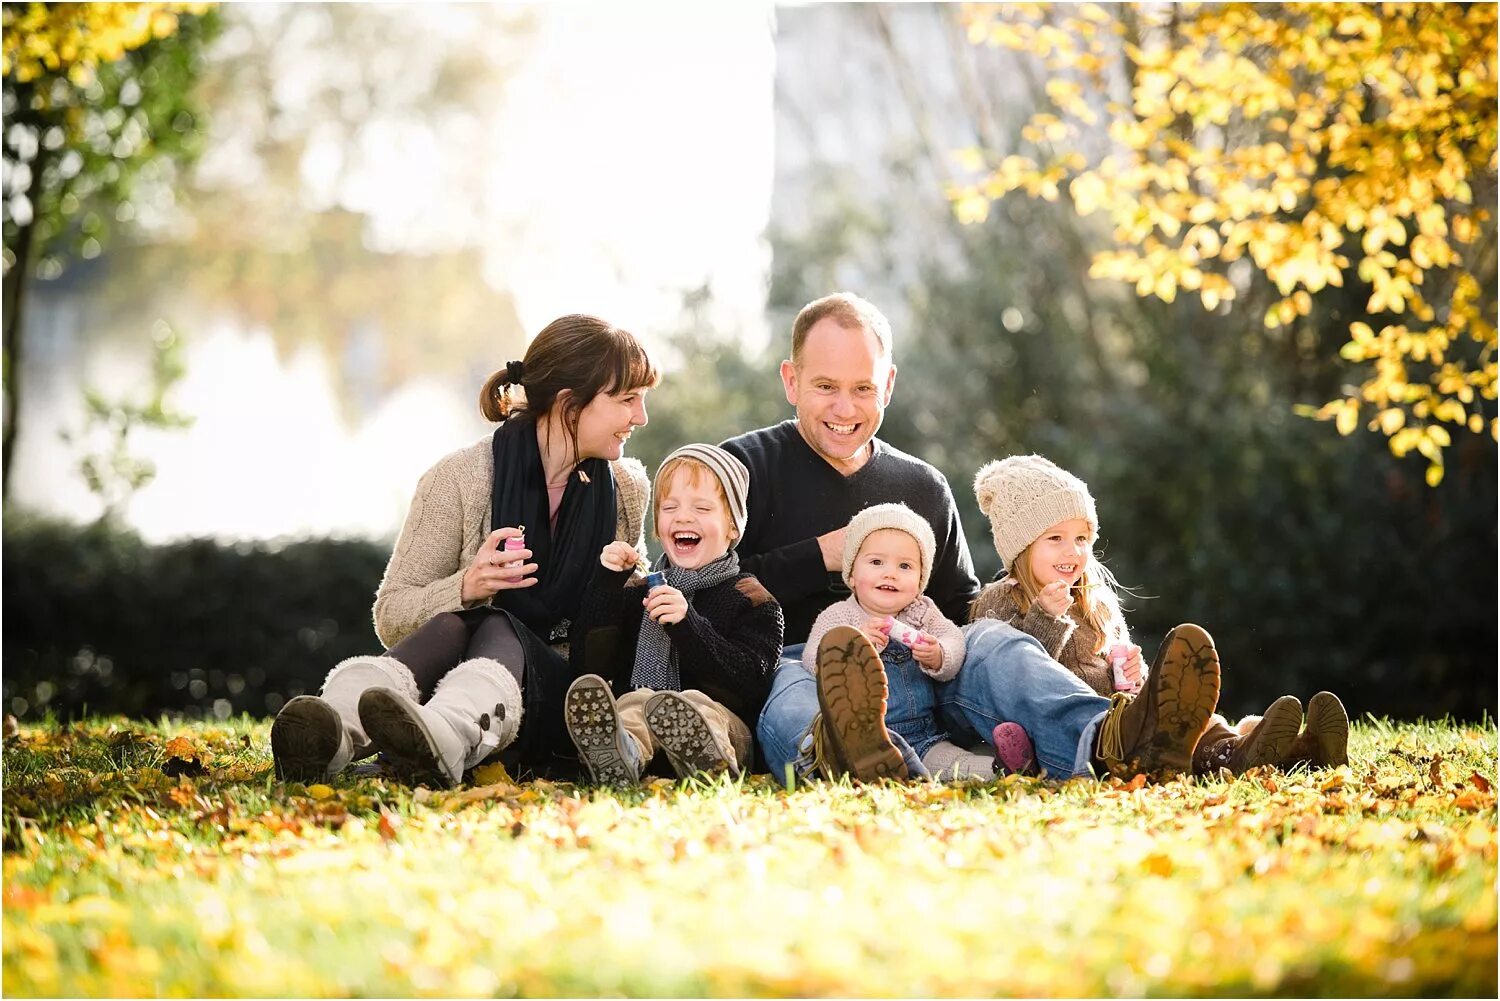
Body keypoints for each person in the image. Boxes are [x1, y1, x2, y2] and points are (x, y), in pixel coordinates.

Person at [725, 291, 1222, 785]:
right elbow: (697, 587)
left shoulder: (921, 486)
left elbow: (964, 611)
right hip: (802, 665)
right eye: (825, 386)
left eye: (862, 388)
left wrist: (1034, 627)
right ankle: (850, 757)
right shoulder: (744, 469)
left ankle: (1110, 741)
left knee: (990, 640)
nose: (844, 406)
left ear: (889, 385)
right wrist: (820, 555)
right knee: (791, 689)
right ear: (791, 380)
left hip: (922, 669)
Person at [269, 314, 659, 787]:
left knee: (496, 621)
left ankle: (443, 738)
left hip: (561, 700)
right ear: (569, 405)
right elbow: (391, 614)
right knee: (464, 620)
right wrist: (467, 586)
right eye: (627, 400)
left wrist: (625, 585)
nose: (639, 417)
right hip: (451, 689)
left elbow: (624, 632)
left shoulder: (626, 488)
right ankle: (330, 732)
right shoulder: (457, 481)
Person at [970, 454, 1350, 773]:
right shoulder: (1000, 601)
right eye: (1056, 539)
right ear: (1021, 547)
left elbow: (1117, 663)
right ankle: (1233, 754)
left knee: (1192, 723)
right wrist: (1046, 619)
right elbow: (1014, 681)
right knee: (1177, 732)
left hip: (1129, 713)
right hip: (1090, 732)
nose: (1073, 552)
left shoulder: (1093, 597)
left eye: (1082, 538)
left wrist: (1136, 677)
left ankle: (1293, 753)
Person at [563, 444, 784, 784]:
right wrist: (607, 584)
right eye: (670, 507)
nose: (683, 517)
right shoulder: (639, 591)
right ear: (657, 526)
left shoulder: (752, 598)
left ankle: (710, 762)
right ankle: (622, 756)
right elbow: (588, 661)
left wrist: (688, 625)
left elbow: (748, 684)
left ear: (733, 527)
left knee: (696, 704)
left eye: (702, 508)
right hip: (643, 723)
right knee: (635, 702)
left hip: (727, 725)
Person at [802, 502, 1031, 779]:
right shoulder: (841, 616)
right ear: (851, 574)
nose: (890, 573)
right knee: (903, 763)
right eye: (876, 562)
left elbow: (953, 638)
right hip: (864, 736)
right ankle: (877, 766)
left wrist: (939, 655)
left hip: (924, 734)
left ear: (920, 580)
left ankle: (1008, 769)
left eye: (905, 566)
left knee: (954, 763)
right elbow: (814, 658)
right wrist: (854, 647)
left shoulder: (921, 612)